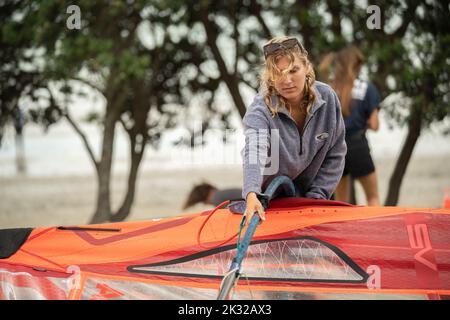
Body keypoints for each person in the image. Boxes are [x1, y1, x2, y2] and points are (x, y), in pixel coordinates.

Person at [242, 36, 347, 222]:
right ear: (270, 77)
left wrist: (317, 197)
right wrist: (251, 193)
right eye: (279, 74)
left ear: (307, 67)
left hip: (315, 200)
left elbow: (335, 153)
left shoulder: (328, 99)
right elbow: (253, 151)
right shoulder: (260, 109)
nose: (287, 80)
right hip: (270, 202)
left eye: (293, 70)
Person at [318, 46, 381, 206]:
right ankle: (376, 231)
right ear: (355, 65)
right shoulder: (368, 88)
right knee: (373, 197)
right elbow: (374, 124)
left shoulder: (329, 88)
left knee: (341, 203)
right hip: (357, 145)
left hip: (334, 148)